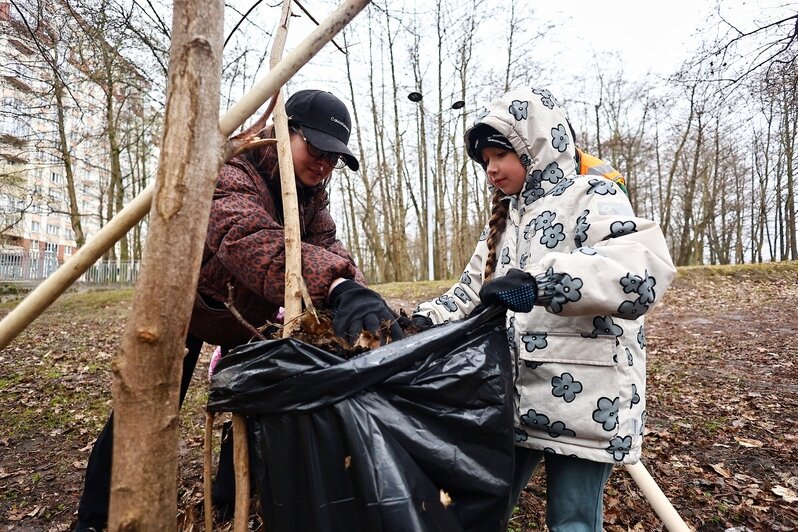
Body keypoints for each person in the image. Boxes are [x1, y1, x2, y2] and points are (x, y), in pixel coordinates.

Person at [74, 89, 402, 532]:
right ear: (285, 133)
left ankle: (229, 500)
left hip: (250, 316)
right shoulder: (231, 169)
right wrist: (336, 283)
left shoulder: (312, 196)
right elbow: (246, 237)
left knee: (253, 402)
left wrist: (363, 296)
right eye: (318, 148)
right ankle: (97, 518)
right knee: (140, 413)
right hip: (186, 305)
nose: (324, 164)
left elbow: (326, 246)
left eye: (334, 156)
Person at [410, 87, 676, 531]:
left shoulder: (591, 195)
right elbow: (471, 291)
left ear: (536, 147)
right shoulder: (505, 221)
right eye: (485, 160)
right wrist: (419, 321)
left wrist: (541, 282)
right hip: (515, 395)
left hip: (587, 401)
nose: (492, 169)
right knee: (479, 506)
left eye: (501, 155)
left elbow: (640, 269)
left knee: (571, 520)